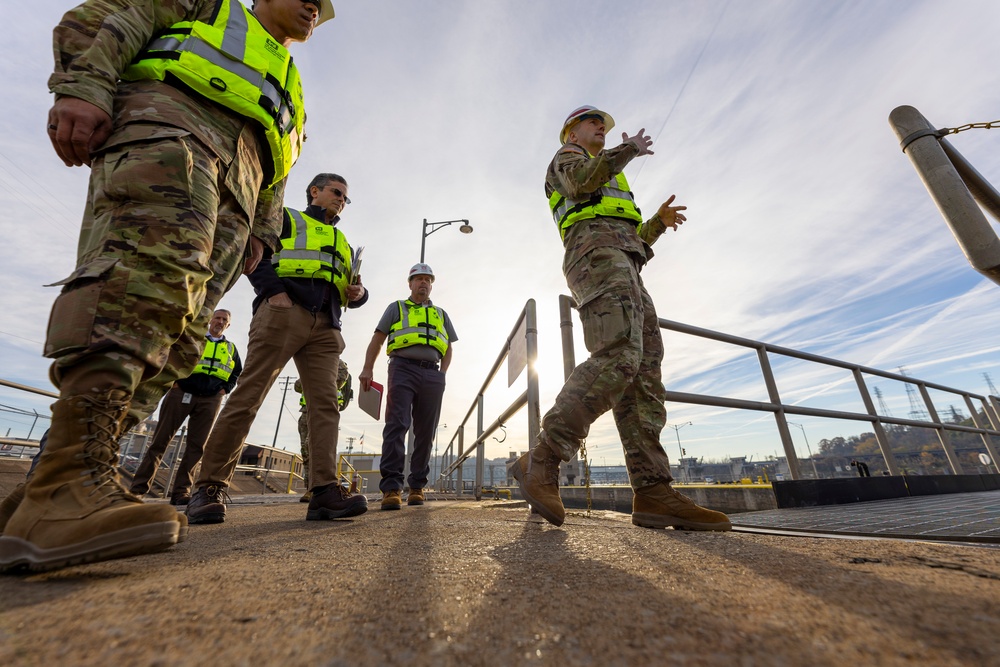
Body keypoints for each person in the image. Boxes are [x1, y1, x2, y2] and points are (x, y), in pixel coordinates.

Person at [0, 0, 335, 573]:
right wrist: (84, 84)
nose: (315, 7)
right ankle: (67, 488)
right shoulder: (217, 6)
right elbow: (112, 14)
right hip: (174, 128)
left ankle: (52, 491)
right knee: (142, 289)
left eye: (323, 8)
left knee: (180, 333)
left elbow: (279, 163)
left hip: (240, 186)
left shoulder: (292, 81)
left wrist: (261, 229)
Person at [508, 105, 731, 531]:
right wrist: (628, 148)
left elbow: (629, 241)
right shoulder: (568, 160)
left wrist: (657, 225)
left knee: (644, 370)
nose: (602, 128)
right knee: (619, 353)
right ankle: (543, 458)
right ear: (571, 131)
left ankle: (652, 491)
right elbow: (580, 187)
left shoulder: (609, 171)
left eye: (605, 125)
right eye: (593, 122)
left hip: (622, 263)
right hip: (594, 261)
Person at [186, 173, 369, 524]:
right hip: (284, 312)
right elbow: (250, 252)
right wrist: (274, 292)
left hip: (327, 326)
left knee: (326, 406)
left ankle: (324, 491)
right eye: (337, 192)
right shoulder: (285, 218)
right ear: (315, 191)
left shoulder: (343, 240)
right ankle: (208, 487)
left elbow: (351, 285)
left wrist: (359, 295)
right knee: (249, 395)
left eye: (346, 197)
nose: (341, 200)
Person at [359, 263, 458, 510]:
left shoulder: (441, 314)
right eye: (418, 279)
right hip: (402, 368)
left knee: (426, 431)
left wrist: (442, 375)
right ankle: (392, 488)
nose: (423, 283)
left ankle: (417, 487)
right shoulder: (396, 308)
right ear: (410, 283)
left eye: (427, 279)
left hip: (432, 374)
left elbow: (449, 348)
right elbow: (378, 339)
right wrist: (368, 368)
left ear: (431, 284)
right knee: (397, 424)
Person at [129, 309, 243, 505]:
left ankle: (181, 492)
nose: (220, 321)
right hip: (181, 393)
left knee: (196, 447)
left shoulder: (231, 349)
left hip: (210, 400)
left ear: (228, 325)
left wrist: (225, 390)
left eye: (224, 320)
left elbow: (236, 371)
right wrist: (175, 382)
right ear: (210, 320)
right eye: (217, 318)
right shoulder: (194, 339)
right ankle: (137, 489)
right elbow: (170, 355)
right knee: (160, 441)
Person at [294, 358, 350, 501]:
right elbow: (298, 386)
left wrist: (315, 379)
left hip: (322, 410)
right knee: (305, 452)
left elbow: (340, 378)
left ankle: (319, 488)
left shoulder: (338, 363)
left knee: (314, 447)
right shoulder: (311, 363)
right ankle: (310, 489)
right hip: (306, 412)